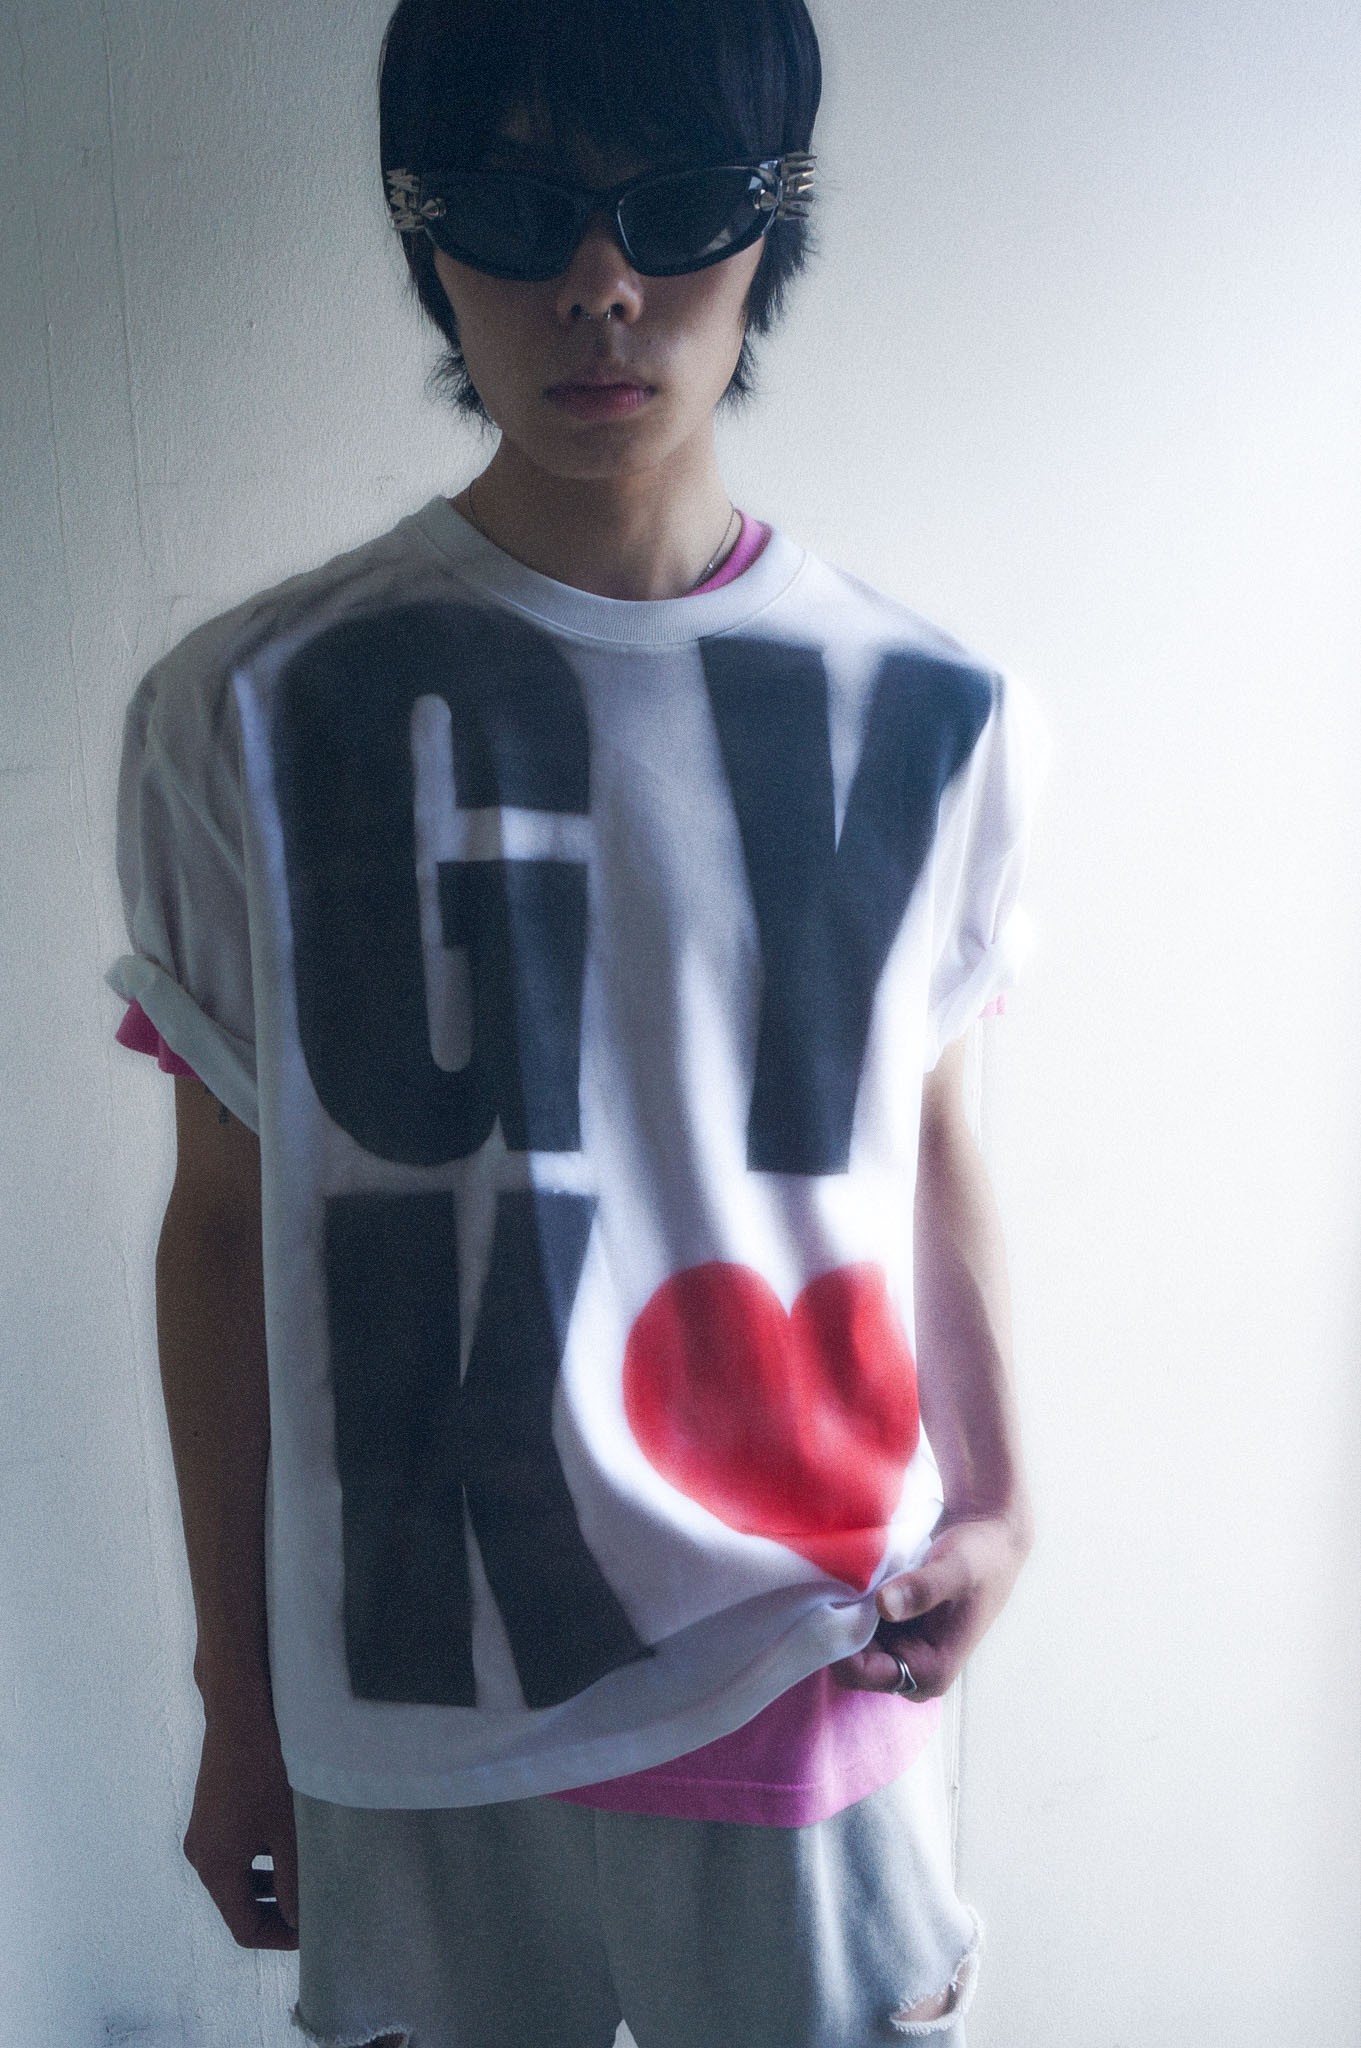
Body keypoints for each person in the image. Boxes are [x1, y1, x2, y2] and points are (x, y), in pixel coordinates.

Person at [109, 0, 1044, 2041]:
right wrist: (237, 1702)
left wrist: (998, 1500)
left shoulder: (930, 711)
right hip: (415, 1686)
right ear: (423, 231)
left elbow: (924, 1136)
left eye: (676, 206)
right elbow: (221, 1229)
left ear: (772, 221)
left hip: (804, 1644)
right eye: (517, 210)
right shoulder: (243, 711)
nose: (600, 284)